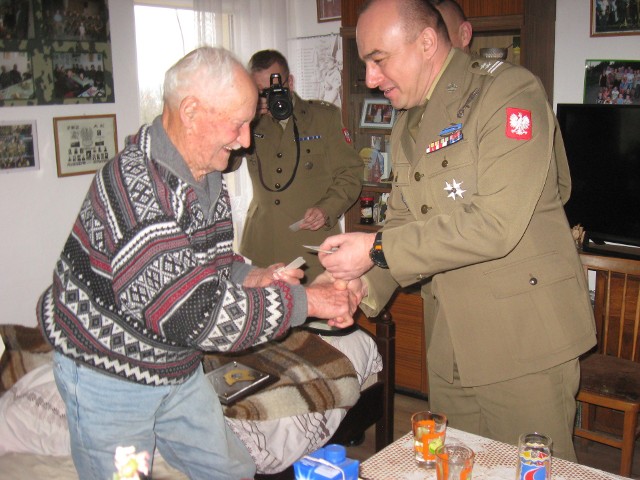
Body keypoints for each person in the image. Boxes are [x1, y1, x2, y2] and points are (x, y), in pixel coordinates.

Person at [36, 46, 360, 480]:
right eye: (239, 123)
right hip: (109, 378)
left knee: (231, 469)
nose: (246, 140)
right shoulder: (137, 191)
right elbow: (195, 314)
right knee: (124, 478)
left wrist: (257, 276)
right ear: (191, 111)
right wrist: (309, 302)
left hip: (174, 366)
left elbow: (213, 263)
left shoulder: (207, 177)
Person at [318, 0, 596, 462]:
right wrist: (358, 286)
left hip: (524, 341)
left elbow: (496, 224)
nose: (369, 78)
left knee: (528, 472)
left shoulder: (508, 93)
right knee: (460, 467)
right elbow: (405, 221)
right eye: (365, 62)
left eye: (378, 60)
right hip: (451, 343)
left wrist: (377, 247)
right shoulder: (408, 121)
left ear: (426, 43)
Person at [227, 49, 362, 283]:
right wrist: (243, 121)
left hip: (312, 244)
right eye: (259, 92)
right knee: (270, 316)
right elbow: (227, 164)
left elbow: (350, 174)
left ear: (289, 82)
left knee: (317, 311)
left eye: (272, 89)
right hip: (263, 244)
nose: (267, 97)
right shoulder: (249, 122)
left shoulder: (323, 117)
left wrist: (327, 209)